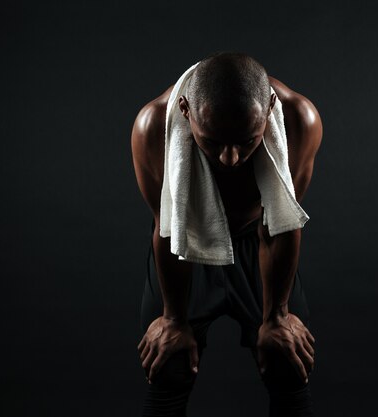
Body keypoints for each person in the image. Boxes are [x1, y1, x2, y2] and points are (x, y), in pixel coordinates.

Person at [130, 51, 323, 416]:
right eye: (214, 142)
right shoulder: (152, 127)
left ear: (269, 109)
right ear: (186, 111)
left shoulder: (300, 120)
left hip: (260, 242)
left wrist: (277, 316)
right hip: (183, 242)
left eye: (246, 141)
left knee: (288, 364)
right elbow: (165, 225)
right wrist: (173, 319)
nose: (230, 159)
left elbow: (279, 223)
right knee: (168, 366)